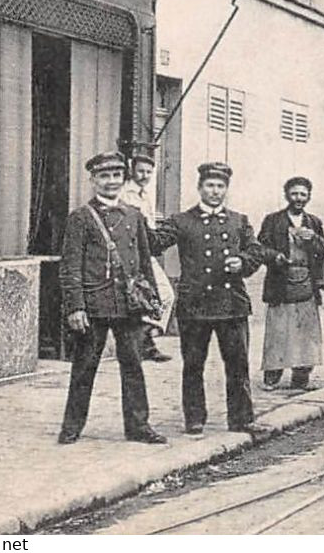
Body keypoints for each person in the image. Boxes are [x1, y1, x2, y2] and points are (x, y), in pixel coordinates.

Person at [57, 152, 165, 445]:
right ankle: (71, 427)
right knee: (84, 368)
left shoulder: (134, 215)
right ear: (93, 180)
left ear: (123, 179)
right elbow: (70, 266)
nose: (111, 182)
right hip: (94, 304)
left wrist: (151, 303)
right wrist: (75, 306)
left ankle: (138, 427)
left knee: (133, 365)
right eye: (104, 176)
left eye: (116, 176)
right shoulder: (80, 218)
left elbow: (145, 263)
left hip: (129, 304)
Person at [150, 162, 266, 436]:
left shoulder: (239, 220)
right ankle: (194, 418)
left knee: (237, 365)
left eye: (220, 186)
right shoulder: (181, 221)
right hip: (195, 305)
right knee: (193, 365)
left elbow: (256, 251)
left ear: (226, 189)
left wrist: (244, 261)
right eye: (210, 186)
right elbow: (155, 244)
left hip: (232, 304)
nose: (215, 191)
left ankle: (241, 419)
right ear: (199, 188)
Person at [258, 176, 324, 391]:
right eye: (294, 194)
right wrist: (276, 257)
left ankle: (301, 378)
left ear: (308, 196)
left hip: (306, 282)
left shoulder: (313, 222)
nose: (298, 198)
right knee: (278, 330)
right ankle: (272, 376)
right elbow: (260, 248)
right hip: (280, 281)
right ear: (286, 195)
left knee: (306, 331)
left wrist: (313, 239)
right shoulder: (273, 221)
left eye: (303, 194)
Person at [118, 150, 173, 362]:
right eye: (140, 171)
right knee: (154, 295)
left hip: (146, 251)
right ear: (132, 170)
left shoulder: (145, 194)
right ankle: (146, 343)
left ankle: (146, 339)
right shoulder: (126, 193)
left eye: (149, 172)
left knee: (162, 296)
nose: (144, 176)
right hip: (131, 254)